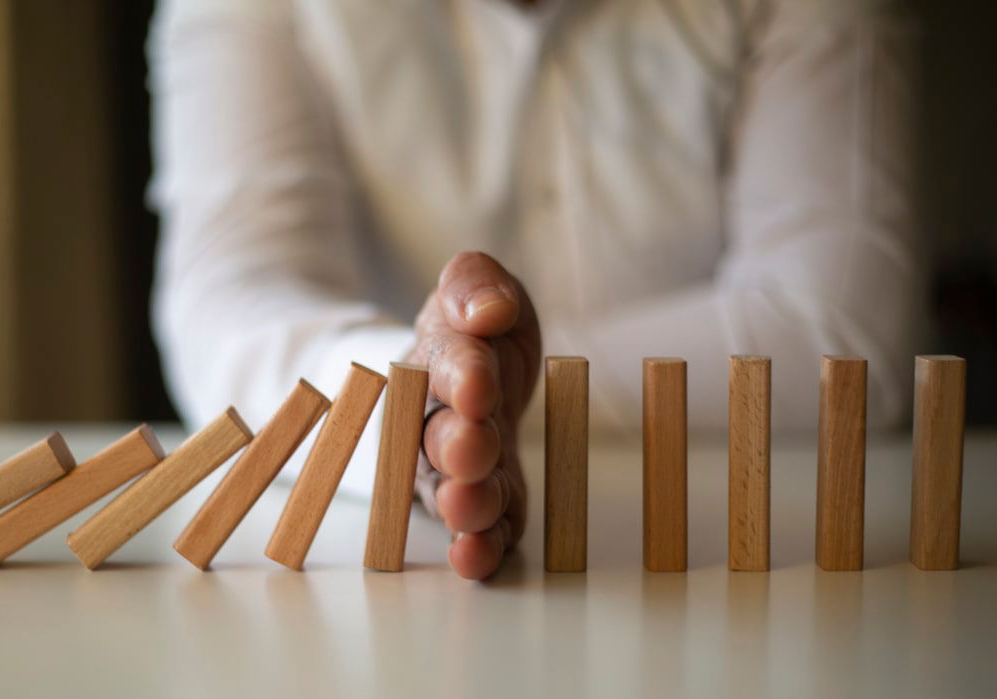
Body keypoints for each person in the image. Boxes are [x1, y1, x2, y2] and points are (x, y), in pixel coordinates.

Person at [147, 0, 923, 579]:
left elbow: (842, 335)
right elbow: (230, 307)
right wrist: (420, 403)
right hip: (401, 576)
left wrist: (466, 394)